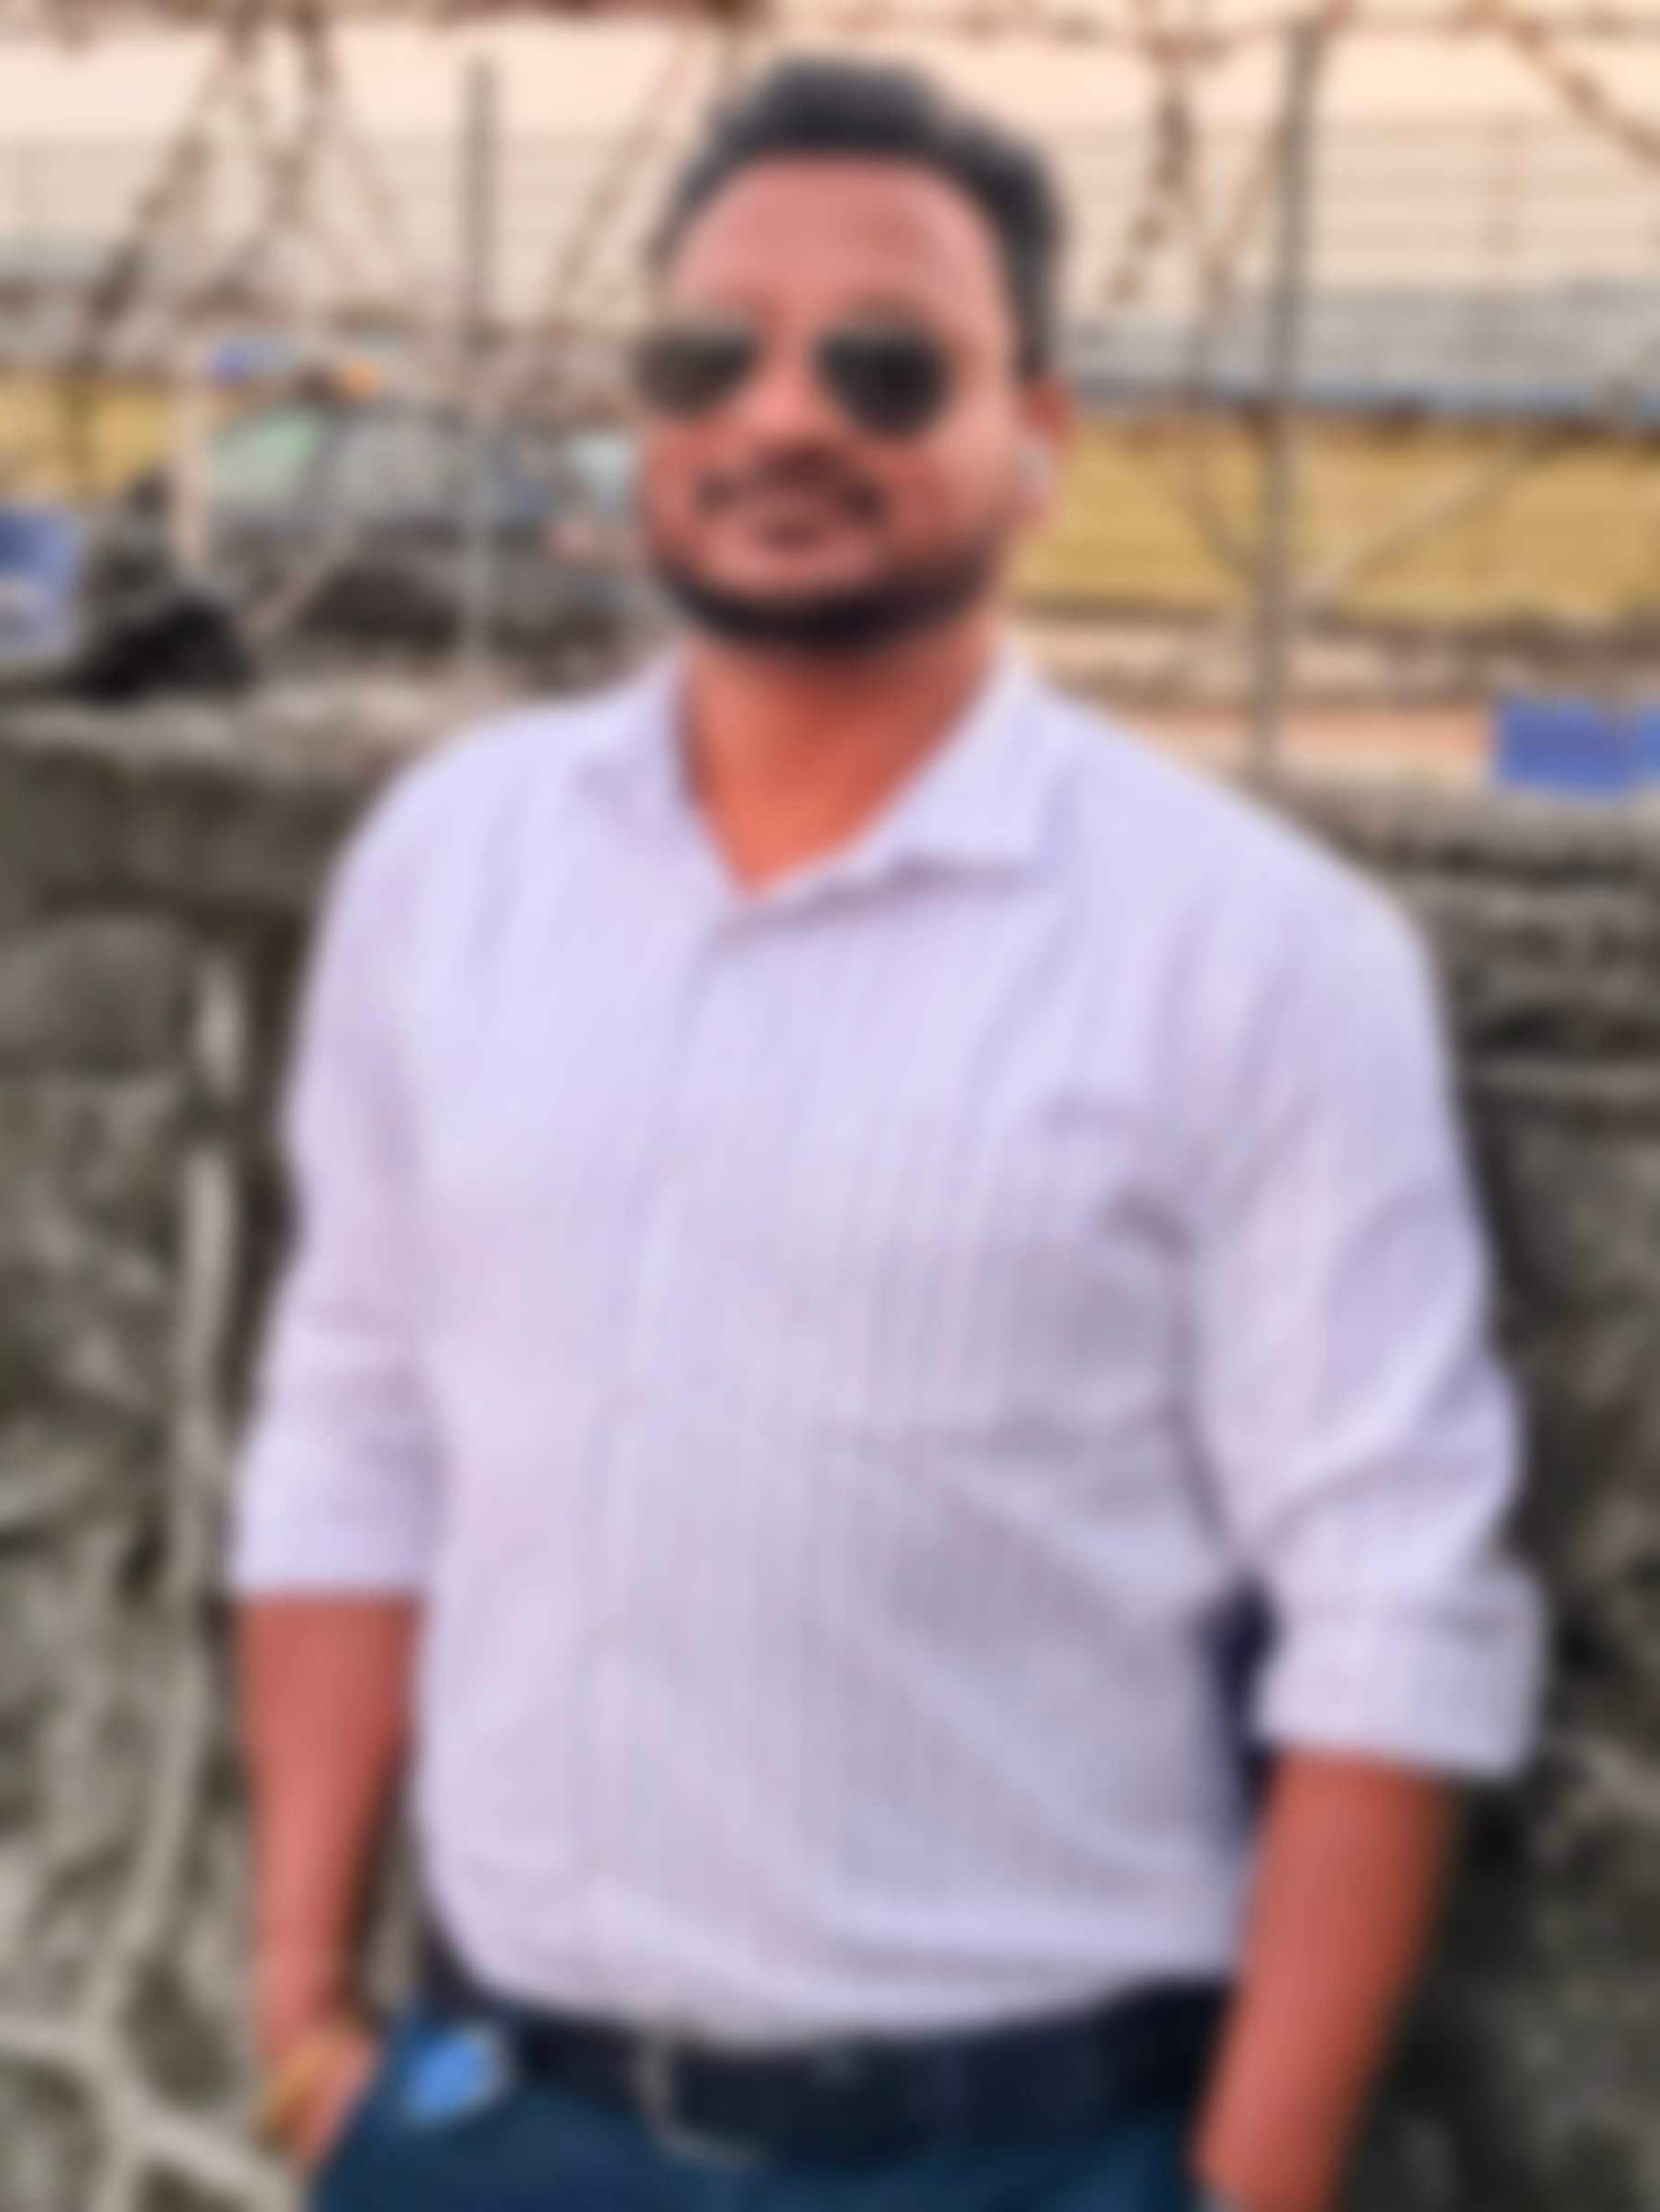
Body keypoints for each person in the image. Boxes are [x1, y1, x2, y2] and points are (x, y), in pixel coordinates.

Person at [229, 57, 1544, 2212]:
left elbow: (1394, 1606)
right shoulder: (446, 867)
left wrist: (1253, 2179)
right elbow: (353, 1427)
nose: (781, 416)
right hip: (485, 2118)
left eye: (885, 364)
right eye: (708, 354)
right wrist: (303, 2008)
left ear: (1040, 433)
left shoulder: (1256, 955)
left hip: (1002, 2149)